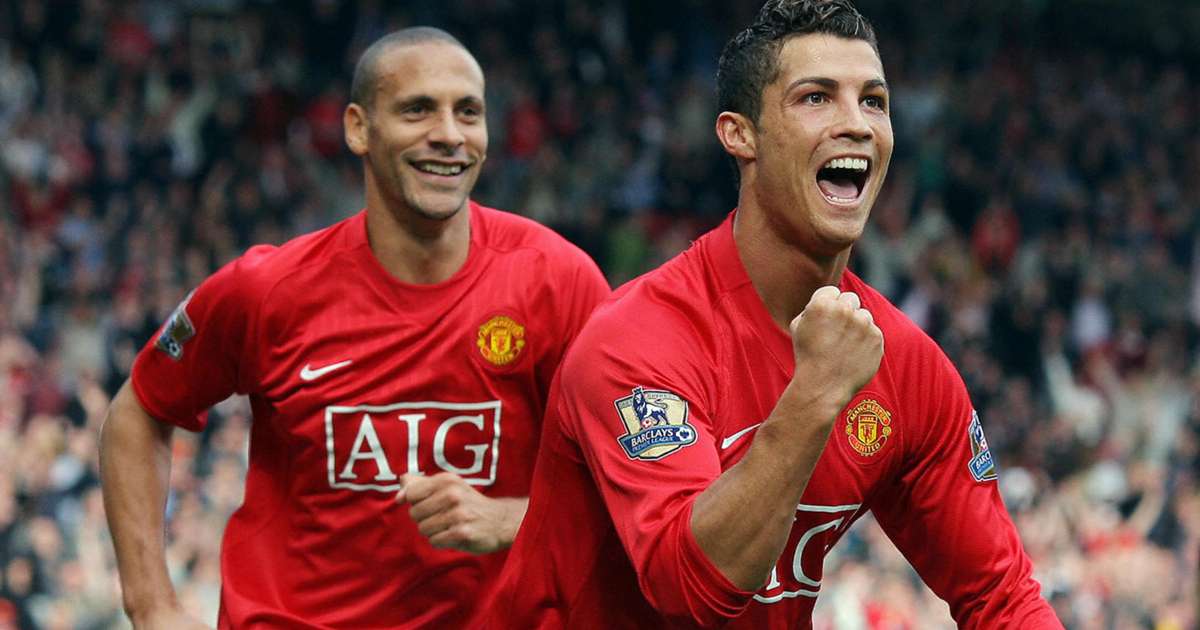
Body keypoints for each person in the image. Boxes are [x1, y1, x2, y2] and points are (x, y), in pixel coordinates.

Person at [486, 1, 1062, 628]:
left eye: (873, 101)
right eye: (816, 98)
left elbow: (1002, 596)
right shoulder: (637, 339)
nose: (857, 124)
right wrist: (814, 394)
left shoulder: (905, 365)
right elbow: (690, 589)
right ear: (740, 135)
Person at [98, 27, 609, 629]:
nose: (449, 134)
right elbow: (139, 414)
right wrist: (152, 606)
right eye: (418, 109)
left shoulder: (558, 283)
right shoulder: (267, 290)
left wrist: (513, 520)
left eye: (468, 112)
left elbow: (635, 485)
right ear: (358, 128)